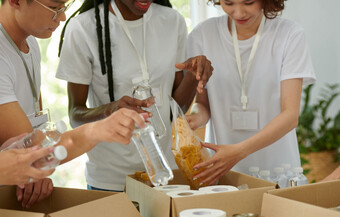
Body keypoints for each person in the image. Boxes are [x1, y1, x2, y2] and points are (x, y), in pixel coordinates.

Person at [0, 0, 146, 208]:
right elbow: (31, 154)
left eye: (64, 8)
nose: (61, 17)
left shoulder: (29, 43)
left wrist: (36, 173)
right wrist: (99, 129)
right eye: (54, 8)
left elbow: (35, 137)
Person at [56, 0, 213, 191]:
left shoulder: (173, 21)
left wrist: (193, 76)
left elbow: (175, 110)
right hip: (110, 180)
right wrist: (111, 109)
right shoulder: (82, 28)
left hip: (165, 176)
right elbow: (75, 115)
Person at [186, 0, 316, 185]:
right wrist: (197, 117)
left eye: (248, 2)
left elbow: (290, 115)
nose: (239, 13)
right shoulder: (202, 35)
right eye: (228, 2)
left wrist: (238, 152)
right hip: (223, 169)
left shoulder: (289, 35)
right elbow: (204, 104)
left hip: (278, 170)